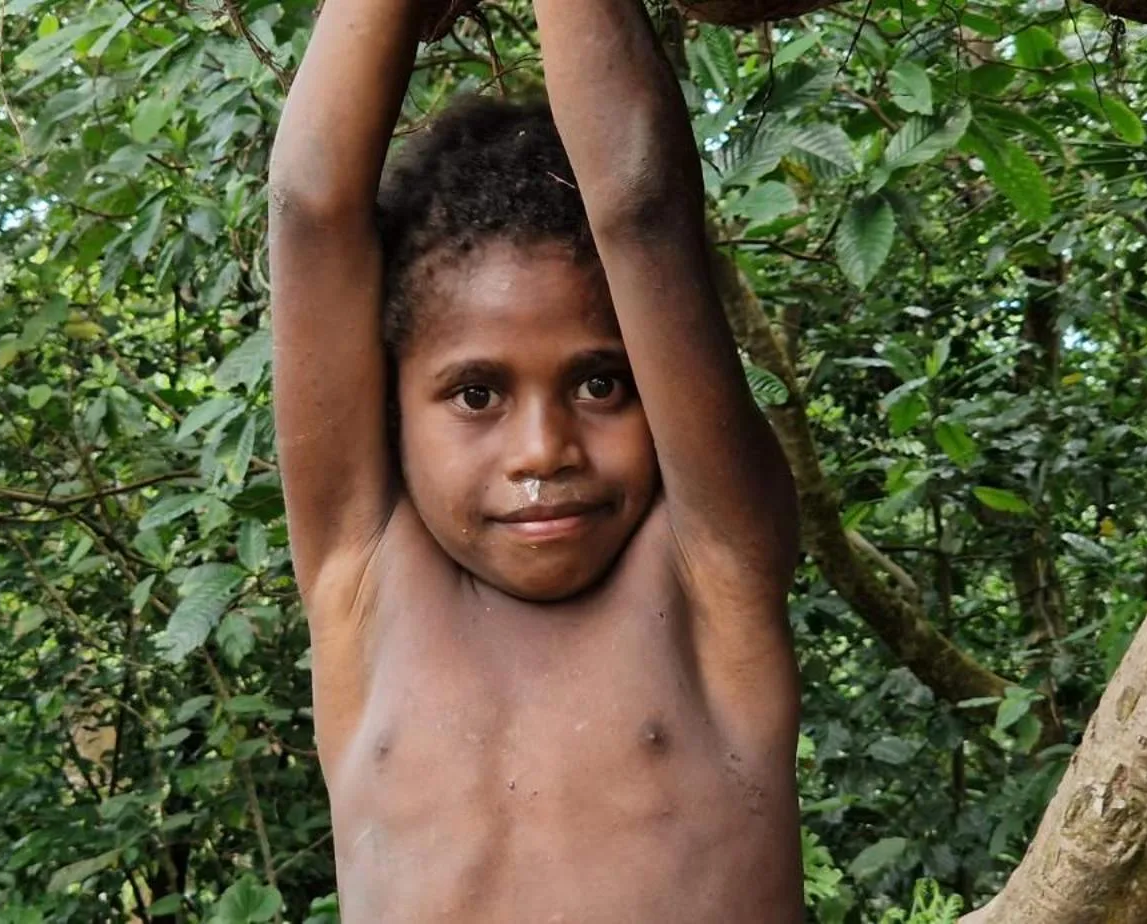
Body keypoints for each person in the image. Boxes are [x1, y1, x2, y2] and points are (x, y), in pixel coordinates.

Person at [265, 0, 805, 916]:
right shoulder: (362, 577)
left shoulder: (712, 569)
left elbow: (641, 207)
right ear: (391, 410)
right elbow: (311, 212)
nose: (544, 451)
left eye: (600, 384)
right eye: (477, 395)